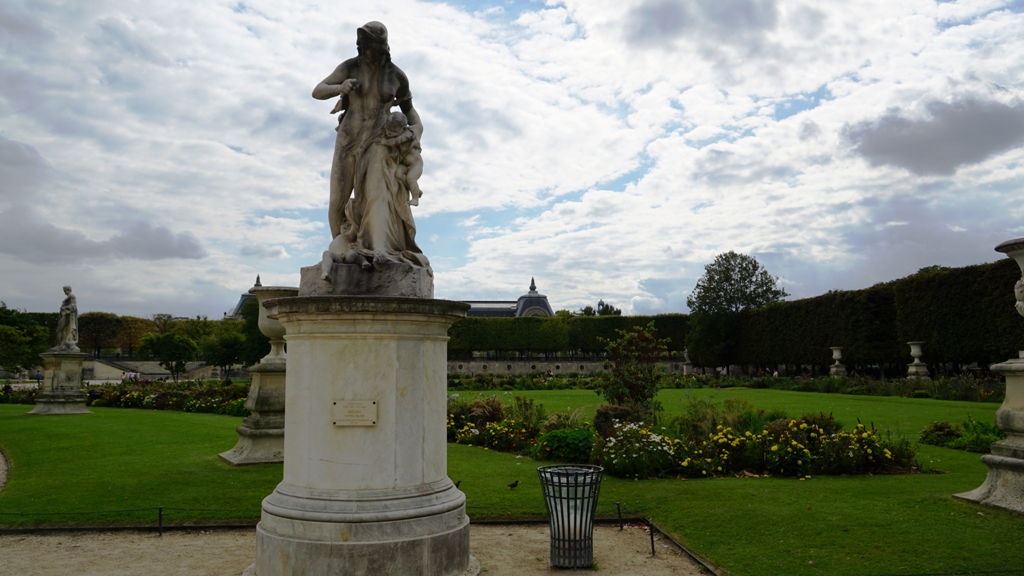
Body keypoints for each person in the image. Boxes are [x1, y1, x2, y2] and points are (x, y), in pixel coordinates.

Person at [312, 21, 430, 274]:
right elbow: (317, 90)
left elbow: (411, 113)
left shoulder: (397, 76)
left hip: (378, 142)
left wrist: (416, 131)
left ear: (383, 46)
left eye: (369, 45)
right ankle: (341, 250)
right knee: (337, 200)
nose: (365, 50)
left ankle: (375, 246)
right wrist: (339, 88)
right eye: (362, 46)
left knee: (374, 198)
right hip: (349, 139)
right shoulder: (350, 67)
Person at [378, 111, 423, 206]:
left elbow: (395, 142)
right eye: (388, 129)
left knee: (411, 178)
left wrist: (383, 141)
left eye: (393, 131)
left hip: (415, 165)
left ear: (403, 129)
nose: (389, 133)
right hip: (405, 165)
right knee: (398, 175)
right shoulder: (395, 132)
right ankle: (415, 189)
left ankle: (415, 199)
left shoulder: (407, 135)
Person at [54, 285, 78, 350]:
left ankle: (60, 345)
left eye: (64, 290)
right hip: (64, 314)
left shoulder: (72, 296)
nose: (64, 292)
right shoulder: (69, 296)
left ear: (68, 290)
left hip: (67, 315)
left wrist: (65, 307)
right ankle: (61, 344)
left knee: (58, 330)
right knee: (59, 330)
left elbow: (74, 306)